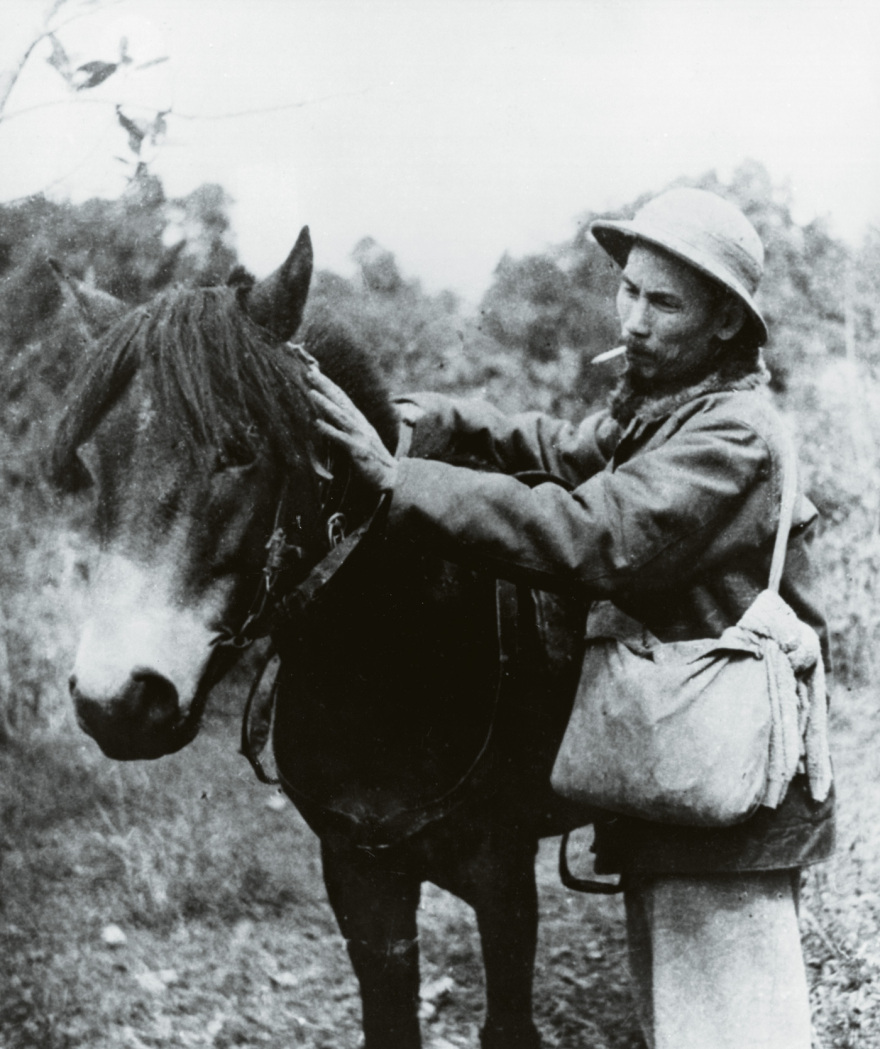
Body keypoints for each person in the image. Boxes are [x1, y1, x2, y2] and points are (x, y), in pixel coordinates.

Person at [307, 187, 835, 1049]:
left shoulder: (730, 435)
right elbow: (559, 447)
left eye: (665, 302)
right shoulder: (671, 413)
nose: (633, 319)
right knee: (684, 1018)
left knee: (732, 1026)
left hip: (729, 788)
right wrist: (442, 417)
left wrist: (395, 480)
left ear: (726, 325)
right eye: (630, 289)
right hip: (687, 773)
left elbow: (597, 535)